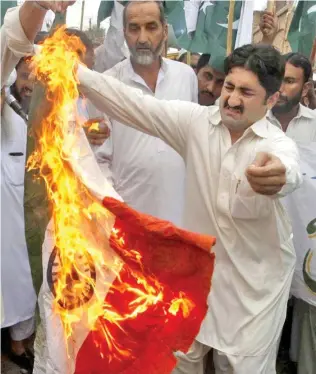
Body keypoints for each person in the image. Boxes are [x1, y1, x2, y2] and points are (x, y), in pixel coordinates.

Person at [77, 43, 302, 373]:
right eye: (230, 87)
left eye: (247, 93)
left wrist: (279, 175)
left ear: (270, 100)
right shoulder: (195, 123)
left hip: (255, 289)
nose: (233, 100)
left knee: (240, 368)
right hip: (198, 277)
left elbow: (289, 168)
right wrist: (76, 72)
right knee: (179, 362)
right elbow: (134, 104)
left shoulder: (276, 145)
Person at [1, 2, 76, 372]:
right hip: (8, 223)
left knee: (31, 285)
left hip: (34, 219)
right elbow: (11, 40)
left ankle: (24, 343)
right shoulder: (5, 108)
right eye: (23, 71)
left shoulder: (42, 112)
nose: (30, 79)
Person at [95, 0, 198, 226]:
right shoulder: (108, 84)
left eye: (151, 27)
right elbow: (100, 158)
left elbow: (195, 143)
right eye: (134, 28)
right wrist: (116, 209)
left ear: (165, 30)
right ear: (124, 33)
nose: (142, 38)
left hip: (181, 217)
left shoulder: (186, 77)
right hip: (129, 220)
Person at [267, 53, 316, 142]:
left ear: (305, 89)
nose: (279, 89)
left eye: (289, 81)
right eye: (277, 79)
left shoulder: (314, 124)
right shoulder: (253, 120)